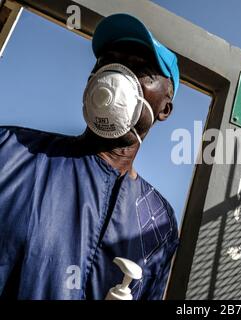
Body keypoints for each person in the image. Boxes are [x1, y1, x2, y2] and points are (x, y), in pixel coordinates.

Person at [0, 13, 180, 300]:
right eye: (109, 62)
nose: (118, 76)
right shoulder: (10, 152)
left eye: (141, 69)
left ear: (165, 109)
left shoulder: (159, 221)